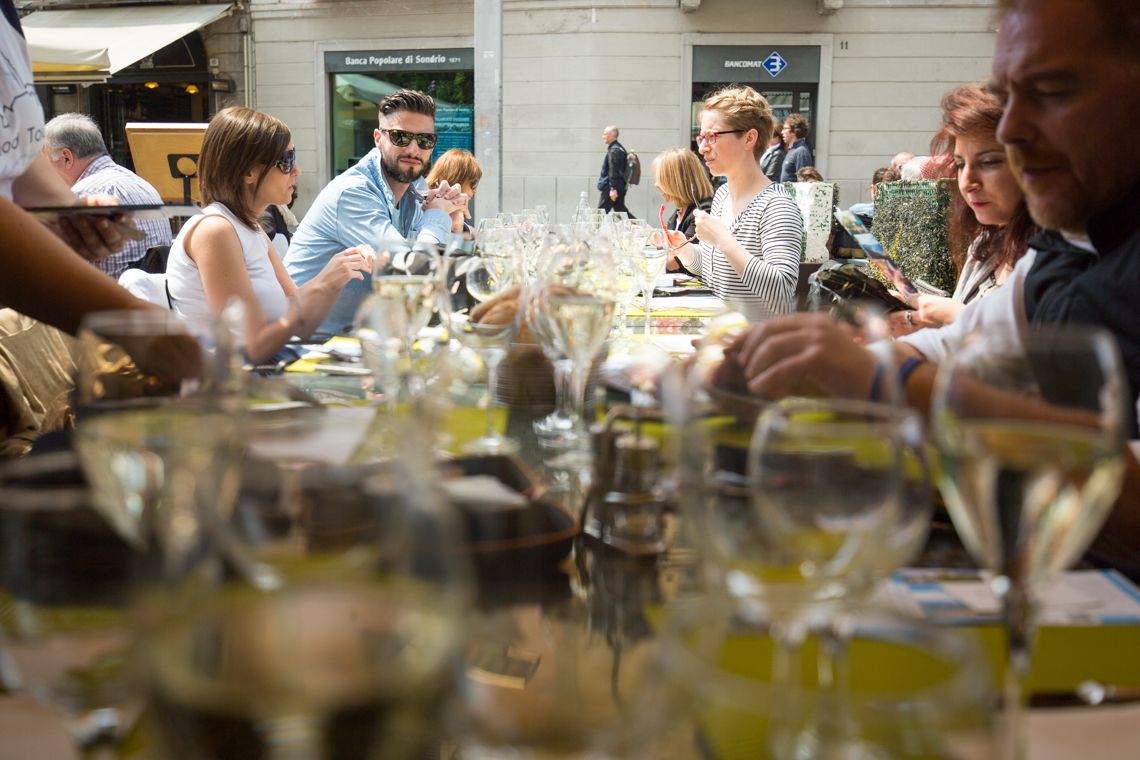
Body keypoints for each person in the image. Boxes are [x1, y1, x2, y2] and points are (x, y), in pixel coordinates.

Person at [721, 0, 1140, 576]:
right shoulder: (1072, 242)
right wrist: (805, 363)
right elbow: (960, 347)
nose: (1014, 129)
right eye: (1011, 95)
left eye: (1053, 91)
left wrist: (880, 380)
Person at [166, 107, 376, 364]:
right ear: (248, 172)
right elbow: (250, 349)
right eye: (287, 160)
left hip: (265, 375)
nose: (297, 170)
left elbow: (299, 325)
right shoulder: (215, 230)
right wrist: (322, 282)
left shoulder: (250, 228)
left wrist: (339, 276)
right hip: (226, 390)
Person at [285, 89, 466, 334]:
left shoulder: (415, 192)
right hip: (314, 344)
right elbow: (412, 271)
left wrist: (453, 223)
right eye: (401, 137)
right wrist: (438, 215)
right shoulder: (353, 193)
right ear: (378, 138)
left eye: (424, 140)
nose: (414, 150)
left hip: (369, 339)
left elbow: (443, 277)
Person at [891, 84, 1038, 333]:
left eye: (989, 162)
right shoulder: (985, 244)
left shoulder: (1062, 254)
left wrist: (959, 318)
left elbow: (1037, 358)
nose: (967, 182)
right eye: (960, 164)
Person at [669, 86, 803, 320]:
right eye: (701, 137)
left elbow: (781, 294)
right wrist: (683, 248)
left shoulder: (777, 206)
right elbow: (716, 273)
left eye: (712, 136)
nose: (702, 148)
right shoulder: (722, 195)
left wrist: (723, 240)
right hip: (720, 339)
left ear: (749, 138)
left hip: (756, 349)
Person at [42, 113, 173, 279]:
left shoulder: (82, 196)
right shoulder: (144, 186)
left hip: (104, 301)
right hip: (153, 299)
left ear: (66, 158)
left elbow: (51, 274)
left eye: (46, 162)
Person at [651, 147, 714, 273]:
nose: (656, 184)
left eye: (661, 179)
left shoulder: (702, 211)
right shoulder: (680, 211)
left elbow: (674, 263)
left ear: (677, 181)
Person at [425, 148, 482, 233]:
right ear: (457, 179)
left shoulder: (453, 204)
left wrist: (458, 227)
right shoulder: (421, 204)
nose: (475, 190)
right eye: (473, 183)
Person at [597, 125, 630, 216]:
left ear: (611, 135)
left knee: (600, 213)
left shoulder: (614, 151)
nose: (603, 136)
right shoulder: (620, 149)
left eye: (605, 134)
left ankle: (593, 229)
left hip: (611, 188)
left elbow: (613, 170)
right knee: (621, 212)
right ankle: (640, 226)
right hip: (620, 186)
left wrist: (612, 188)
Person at [779, 114, 813, 183]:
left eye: (785, 128)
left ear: (794, 131)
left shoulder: (801, 151)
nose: (782, 132)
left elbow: (803, 182)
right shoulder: (793, 150)